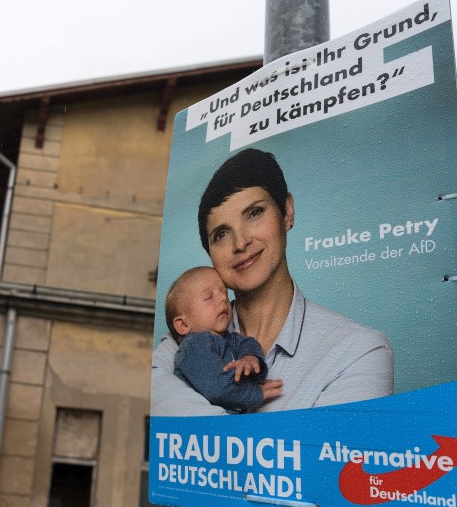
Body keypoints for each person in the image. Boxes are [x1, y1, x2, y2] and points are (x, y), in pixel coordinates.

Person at [151, 148, 393, 416]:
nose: (241, 243)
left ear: (287, 211)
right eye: (221, 234)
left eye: (254, 213)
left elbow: (332, 456)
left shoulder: (360, 352)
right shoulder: (189, 334)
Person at [166, 266, 282, 411]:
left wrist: (250, 358)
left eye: (225, 293)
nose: (223, 298)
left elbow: (248, 343)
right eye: (209, 297)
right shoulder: (194, 346)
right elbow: (216, 387)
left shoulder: (229, 338)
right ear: (183, 325)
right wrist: (254, 393)